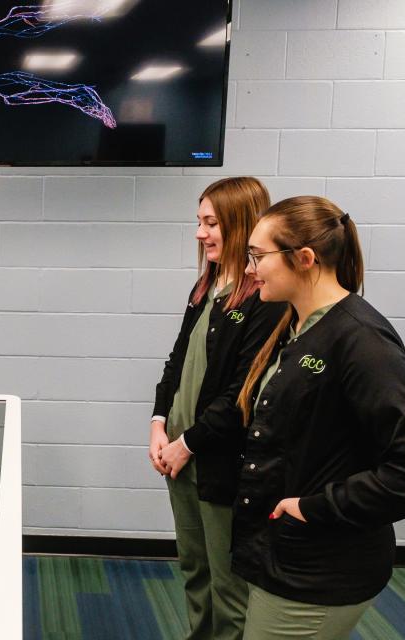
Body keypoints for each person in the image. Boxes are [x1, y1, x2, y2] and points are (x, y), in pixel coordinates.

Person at [232, 196, 405, 639]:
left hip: (319, 569)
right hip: (283, 555)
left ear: (304, 259)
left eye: (258, 256)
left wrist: (313, 508)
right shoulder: (298, 325)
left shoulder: (361, 339)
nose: (250, 268)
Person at [150, 177, 287, 640]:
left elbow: (241, 393)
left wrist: (187, 444)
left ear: (241, 224)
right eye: (199, 221)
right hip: (179, 459)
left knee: (228, 587)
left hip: (217, 464)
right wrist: (158, 425)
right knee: (195, 570)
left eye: (211, 223)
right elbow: (176, 361)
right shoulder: (207, 286)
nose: (200, 233)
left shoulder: (264, 300)